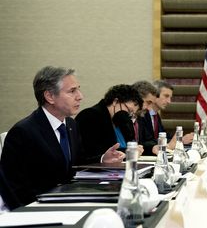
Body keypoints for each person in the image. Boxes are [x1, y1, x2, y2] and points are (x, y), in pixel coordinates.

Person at [0, 66, 124, 208]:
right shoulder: (23, 132)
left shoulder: (71, 124)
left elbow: (76, 162)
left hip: (69, 201)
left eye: (78, 89)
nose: (80, 96)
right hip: (40, 209)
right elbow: (13, 188)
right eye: (72, 91)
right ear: (50, 97)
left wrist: (103, 159)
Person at [76, 84, 144, 162]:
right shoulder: (90, 115)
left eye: (132, 113)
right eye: (129, 110)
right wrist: (129, 152)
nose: (129, 115)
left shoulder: (120, 121)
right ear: (115, 101)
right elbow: (95, 152)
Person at [149, 80, 193, 146]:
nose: (169, 101)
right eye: (166, 96)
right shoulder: (142, 115)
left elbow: (163, 136)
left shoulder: (156, 115)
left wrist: (181, 138)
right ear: (155, 95)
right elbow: (148, 141)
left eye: (170, 97)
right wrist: (181, 140)